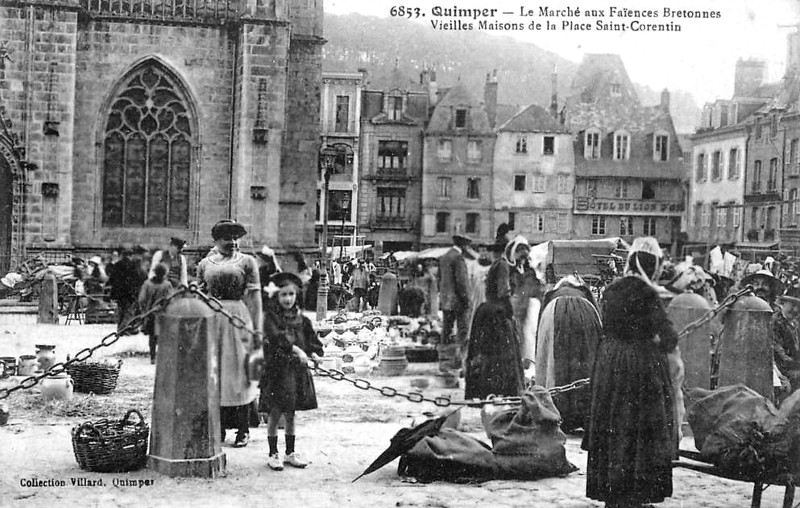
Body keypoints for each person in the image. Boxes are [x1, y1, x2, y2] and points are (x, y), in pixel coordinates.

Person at [583, 237, 678, 508]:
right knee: (637, 428)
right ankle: (635, 493)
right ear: (654, 266)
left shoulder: (613, 289)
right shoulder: (649, 293)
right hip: (640, 366)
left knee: (613, 424)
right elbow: (669, 337)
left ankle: (612, 489)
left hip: (610, 364)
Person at [197, 219, 262, 448]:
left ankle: (243, 429)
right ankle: (219, 428)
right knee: (215, 374)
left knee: (239, 375)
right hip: (213, 319)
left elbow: (254, 298)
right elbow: (199, 295)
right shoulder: (205, 264)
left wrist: (256, 329)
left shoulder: (247, 262)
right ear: (216, 240)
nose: (233, 242)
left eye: (236, 238)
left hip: (238, 319)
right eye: (227, 238)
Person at [261, 272, 323, 471]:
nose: (288, 299)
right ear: (276, 297)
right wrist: (295, 349)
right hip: (278, 371)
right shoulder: (271, 318)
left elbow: (311, 339)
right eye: (283, 295)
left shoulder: (302, 319)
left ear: (296, 295)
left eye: (291, 294)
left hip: (296, 372)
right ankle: (273, 453)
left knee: (291, 413)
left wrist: (314, 353)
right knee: (276, 411)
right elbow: (277, 338)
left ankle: (290, 452)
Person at [536, 275, 602, 432]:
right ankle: (585, 413)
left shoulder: (551, 296)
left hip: (555, 314)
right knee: (587, 359)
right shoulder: (585, 295)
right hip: (585, 315)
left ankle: (559, 412)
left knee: (558, 361)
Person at [463, 238, 526, 400]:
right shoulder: (503, 266)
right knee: (500, 356)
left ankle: (487, 390)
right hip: (497, 316)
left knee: (488, 355)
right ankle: (499, 390)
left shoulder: (498, 265)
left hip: (488, 313)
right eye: (520, 256)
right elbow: (503, 292)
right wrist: (511, 314)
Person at [437, 234, 473, 371]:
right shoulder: (458, 258)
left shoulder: (444, 257)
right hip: (459, 302)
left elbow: (440, 278)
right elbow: (462, 282)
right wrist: (467, 300)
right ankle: (460, 362)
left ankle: (443, 361)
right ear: (464, 246)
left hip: (446, 301)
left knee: (446, 332)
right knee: (462, 332)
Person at [138, 263, 172, 364]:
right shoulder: (167, 285)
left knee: (152, 337)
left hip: (150, 314)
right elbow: (170, 299)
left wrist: (144, 310)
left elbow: (141, 299)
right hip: (162, 314)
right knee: (162, 336)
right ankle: (161, 356)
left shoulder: (147, 284)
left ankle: (152, 357)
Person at [107, 247, 147, 335]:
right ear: (131, 255)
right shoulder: (133, 265)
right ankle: (122, 329)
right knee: (129, 311)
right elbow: (138, 278)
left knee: (121, 310)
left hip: (118, 292)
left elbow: (112, 278)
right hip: (129, 292)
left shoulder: (117, 264)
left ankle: (121, 328)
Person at [773, 286, 800, 399]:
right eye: (792, 305)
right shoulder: (775, 322)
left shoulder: (796, 323)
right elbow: (779, 353)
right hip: (780, 368)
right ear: (783, 303)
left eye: (798, 307)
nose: (795, 310)